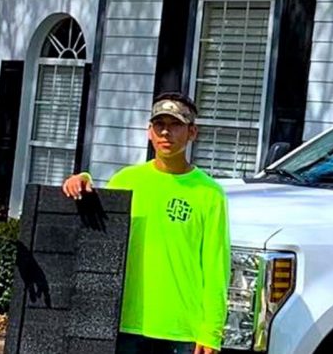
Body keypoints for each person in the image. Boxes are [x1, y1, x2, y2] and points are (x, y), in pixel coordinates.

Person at [63, 92, 230, 354]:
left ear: (192, 133)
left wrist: (211, 331)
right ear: (149, 132)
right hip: (125, 322)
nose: (166, 133)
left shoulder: (209, 193)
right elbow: (100, 233)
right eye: (159, 125)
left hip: (181, 329)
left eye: (175, 125)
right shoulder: (126, 181)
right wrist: (81, 179)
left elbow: (216, 267)